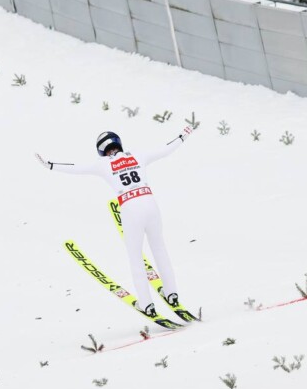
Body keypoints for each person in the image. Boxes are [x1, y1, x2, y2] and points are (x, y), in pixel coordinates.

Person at [36, 125, 194, 318]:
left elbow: (76, 168)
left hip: (130, 207)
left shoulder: (102, 164)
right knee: (160, 249)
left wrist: (51, 165)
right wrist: (182, 136)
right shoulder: (137, 155)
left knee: (136, 258)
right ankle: (172, 293)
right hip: (150, 203)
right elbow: (165, 149)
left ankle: (146, 304)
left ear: (101, 150)